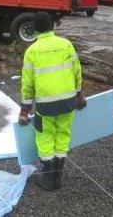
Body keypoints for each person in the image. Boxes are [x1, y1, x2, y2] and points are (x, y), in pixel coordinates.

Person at [18, 11, 87, 191]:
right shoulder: (66, 45)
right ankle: (58, 178)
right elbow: (77, 72)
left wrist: (24, 111)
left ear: (35, 30)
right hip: (68, 102)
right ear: (52, 26)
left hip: (46, 106)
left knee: (45, 138)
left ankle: (48, 180)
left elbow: (27, 84)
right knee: (63, 135)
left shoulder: (32, 51)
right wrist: (79, 95)